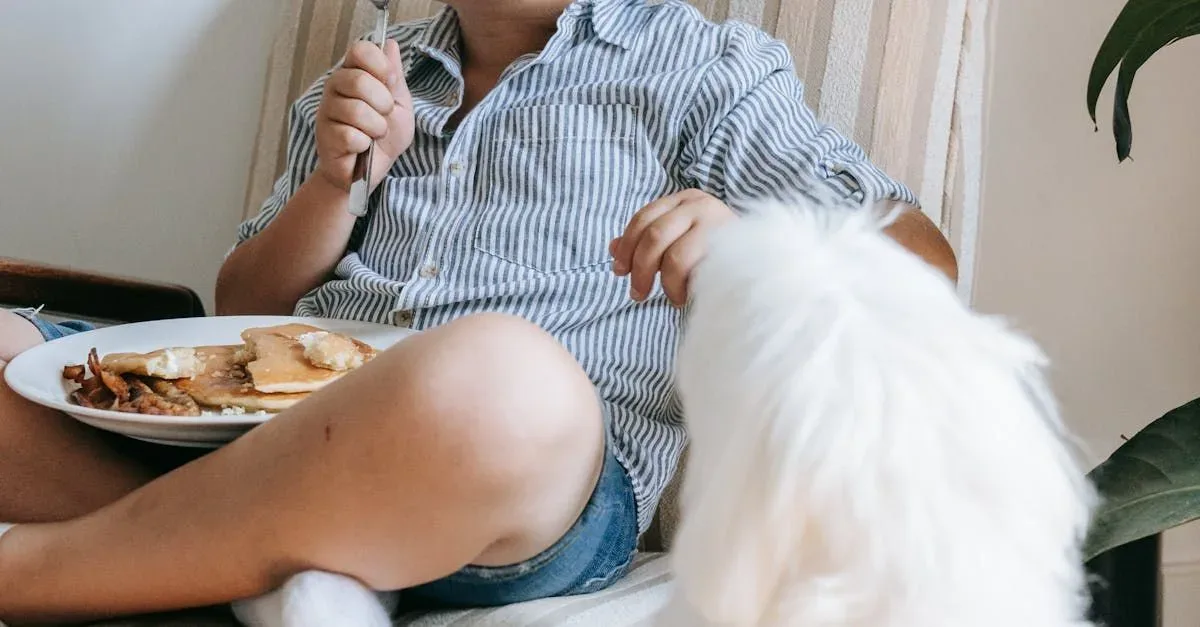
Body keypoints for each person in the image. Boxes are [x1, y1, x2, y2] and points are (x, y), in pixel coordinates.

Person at [0, 0, 957, 622]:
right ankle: (265, 563)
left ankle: (42, 575)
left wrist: (748, 238)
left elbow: (926, 263)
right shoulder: (370, 74)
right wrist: (334, 185)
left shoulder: (701, 70)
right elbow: (243, 308)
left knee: (492, 374)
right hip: (263, 428)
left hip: (520, 478)